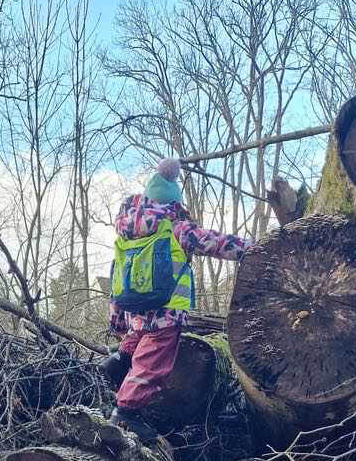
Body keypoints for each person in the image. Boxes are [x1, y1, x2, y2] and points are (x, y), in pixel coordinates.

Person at [105, 158, 254, 438]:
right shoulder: (174, 226)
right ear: (173, 202)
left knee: (138, 343)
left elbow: (117, 276)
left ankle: (119, 359)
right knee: (153, 364)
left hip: (135, 309)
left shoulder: (127, 228)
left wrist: (116, 320)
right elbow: (214, 242)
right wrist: (250, 248)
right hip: (166, 313)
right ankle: (126, 412)